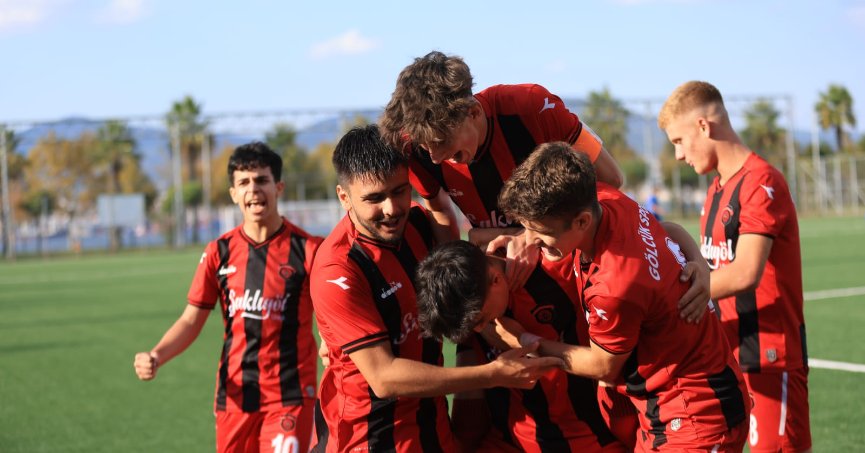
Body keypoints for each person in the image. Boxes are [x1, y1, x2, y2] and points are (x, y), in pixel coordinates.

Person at [379, 50, 710, 326]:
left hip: (577, 284)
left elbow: (610, 180)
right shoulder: (418, 145)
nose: (434, 157)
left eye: (440, 142)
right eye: (425, 147)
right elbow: (439, 208)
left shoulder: (530, 107)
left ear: (473, 111)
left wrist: (530, 236)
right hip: (502, 297)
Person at [310, 124, 562, 453]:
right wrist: (493, 374)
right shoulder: (338, 269)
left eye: (399, 191)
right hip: (371, 439)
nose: (391, 209)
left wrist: (529, 236)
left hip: (434, 430)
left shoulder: (418, 224)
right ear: (344, 197)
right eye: (374, 199)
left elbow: (463, 269)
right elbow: (384, 378)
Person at [495, 142, 751, 451]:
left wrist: (526, 342)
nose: (531, 241)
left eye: (540, 232)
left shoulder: (615, 285)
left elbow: (604, 366)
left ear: (581, 222)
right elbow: (666, 228)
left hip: (694, 416)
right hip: (677, 405)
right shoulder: (606, 199)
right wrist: (698, 263)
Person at [133, 142, 322, 453]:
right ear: (233, 194)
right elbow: (191, 320)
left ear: (279, 187)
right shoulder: (218, 253)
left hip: (290, 395)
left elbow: (331, 313)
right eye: (244, 183)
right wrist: (157, 355)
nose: (253, 190)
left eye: (262, 180)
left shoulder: (308, 250)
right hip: (234, 398)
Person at [658, 81, 811, 453]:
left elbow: (745, 273)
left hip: (769, 357)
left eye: (678, 141)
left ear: (703, 127)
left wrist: (671, 300)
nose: (678, 155)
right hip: (728, 358)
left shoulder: (761, 181)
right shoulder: (716, 189)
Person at [416, 240, 633, 452]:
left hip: (589, 438)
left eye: (481, 320)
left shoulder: (559, 271)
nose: (480, 329)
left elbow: (606, 365)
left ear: (496, 279)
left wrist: (522, 340)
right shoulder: (469, 300)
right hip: (511, 441)